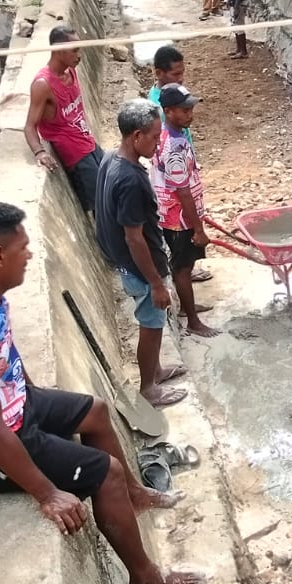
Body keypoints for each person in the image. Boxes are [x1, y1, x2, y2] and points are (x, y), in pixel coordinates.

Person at [0, 201, 205, 584]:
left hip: (8, 404)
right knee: (107, 472)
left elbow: (5, 353)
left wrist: (32, 395)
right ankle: (145, 579)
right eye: (22, 248)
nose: (30, 254)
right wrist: (47, 493)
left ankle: (134, 496)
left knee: (97, 412)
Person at [94, 102, 188, 408]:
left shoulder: (111, 158)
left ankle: (156, 370)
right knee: (151, 325)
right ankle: (149, 388)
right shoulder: (131, 180)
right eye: (154, 136)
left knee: (154, 323)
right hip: (140, 268)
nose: (159, 142)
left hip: (128, 263)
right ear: (136, 136)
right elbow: (134, 238)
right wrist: (156, 283)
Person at [152, 84, 218, 338]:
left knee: (184, 266)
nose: (191, 114)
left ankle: (188, 308)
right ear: (168, 111)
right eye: (184, 110)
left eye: (191, 108)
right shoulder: (175, 148)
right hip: (179, 220)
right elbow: (182, 192)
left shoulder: (167, 136)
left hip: (174, 214)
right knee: (183, 268)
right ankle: (193, 320)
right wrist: (198, 228)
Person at [24, 25, 102, 213]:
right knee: (100, 207)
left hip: (88, 142)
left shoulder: (71, 71)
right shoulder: (43, 85)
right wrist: (39, 152)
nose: (79, 55)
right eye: (74, 50)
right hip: (76, 156)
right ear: (58, 51)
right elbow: (29, 126)